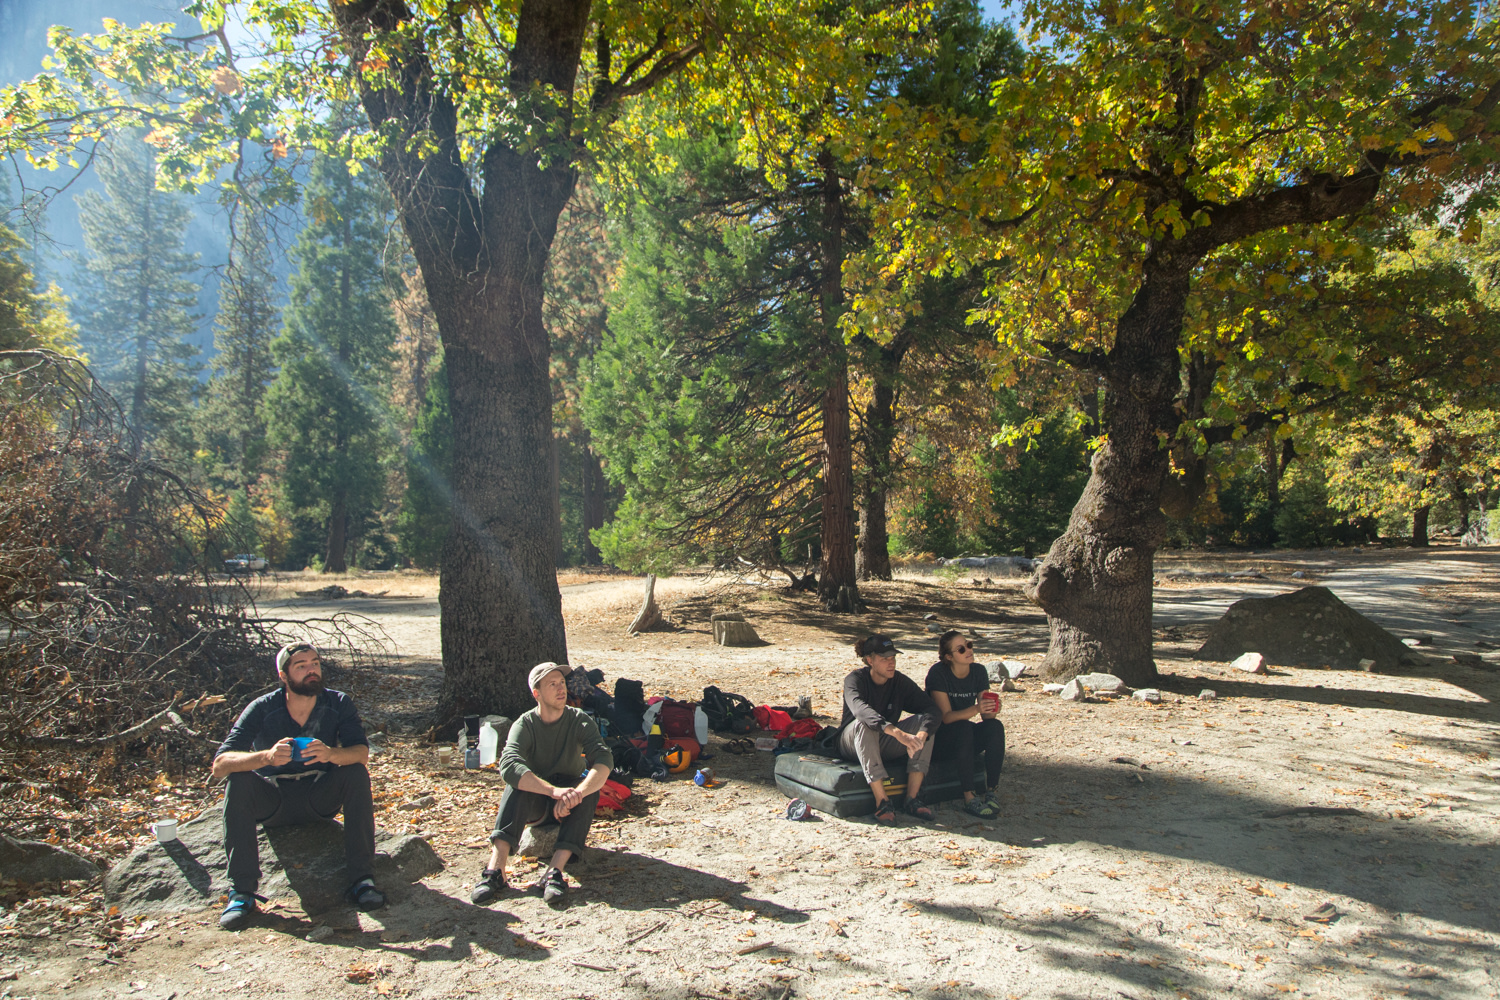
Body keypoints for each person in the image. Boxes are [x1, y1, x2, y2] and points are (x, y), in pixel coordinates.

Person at [211, 642, 383, 931]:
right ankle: (241, 892)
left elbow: (361, 753)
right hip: (274, 800)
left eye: (315, 663)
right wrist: (265, 757)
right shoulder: (263, 708)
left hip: (319, 798)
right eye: (301, 666)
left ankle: (362, 880)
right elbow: (220, 765)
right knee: (238, 779)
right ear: (283, 675)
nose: (311, 670)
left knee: (355, 773)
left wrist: (330, 754)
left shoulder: (337, 702)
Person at [471, 662, 614, 907]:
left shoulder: (578, 719)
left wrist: (576, 794)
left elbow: (604, 758)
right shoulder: (525, 724)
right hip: (536, 802)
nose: (561, 689)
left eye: (562, 683)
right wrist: (552, 791)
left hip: (569, 803)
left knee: (589, 789)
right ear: (536, 694)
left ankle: (554, 871)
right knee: (516, 785)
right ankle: (496, 871)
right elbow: (509, 764)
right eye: (552, 684)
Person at [838, 634, 940, 825]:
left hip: (882, 742)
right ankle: (882, 802)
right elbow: (861, 711)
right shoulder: (854, 679)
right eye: (884, 658)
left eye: (893, 657)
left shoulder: (899, 681)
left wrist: (921, 735)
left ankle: (912, 798)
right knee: (865, 724)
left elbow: (932, 709)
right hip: (852, 743)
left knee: (925, 723)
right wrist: (897, 732)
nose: (891, 662)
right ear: (870, 660)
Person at [926, 630, 1006, 819]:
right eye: (961, 649)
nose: (968, 650)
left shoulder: (978, 671)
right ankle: (969, 797)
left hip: (964, 738)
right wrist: (977, 708)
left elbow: (986, 717)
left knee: (995, 727)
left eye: (969, 645)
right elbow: (946, 718)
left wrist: (992, 707)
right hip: (939, 740)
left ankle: (991, 790)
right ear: (949, 656)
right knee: (963, 727)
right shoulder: (938, 673)